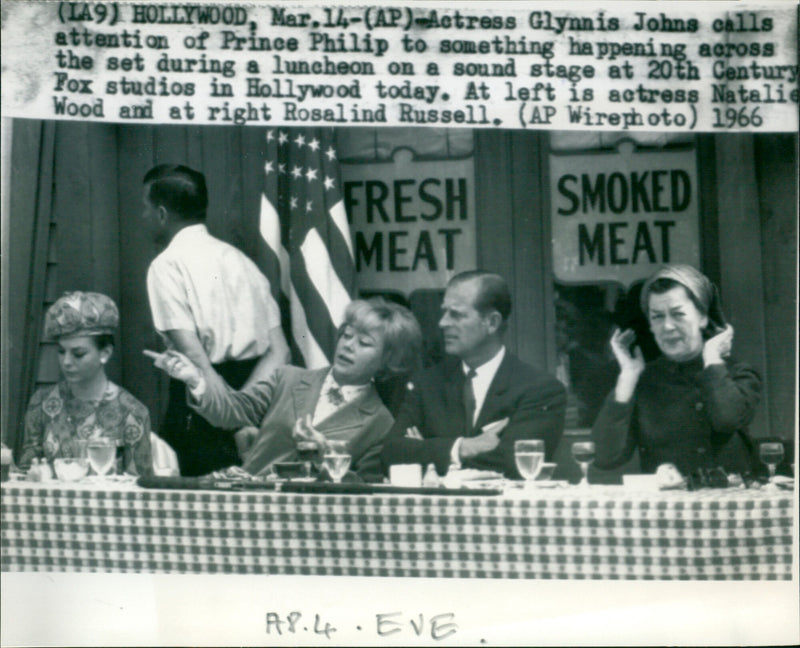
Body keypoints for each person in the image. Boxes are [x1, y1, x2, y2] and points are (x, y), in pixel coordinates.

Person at [146, 299, 422, 482]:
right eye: (346, 335)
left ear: (388, 360)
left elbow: (363, 486)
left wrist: (326, 455)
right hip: (248, 505)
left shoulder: (382, 423)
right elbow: (232, 412)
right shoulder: (288, 378)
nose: (348, 345)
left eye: (363, 342)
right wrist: (195, 379)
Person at [143, 164, 291, 476]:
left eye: (145, 209)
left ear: (161, 214)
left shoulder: (165, 266)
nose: (143, 218)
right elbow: (280, 352)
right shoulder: (243, 263)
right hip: (255, 406)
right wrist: (246, 414)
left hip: (200, 409)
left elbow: (194, 357)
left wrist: (233, 420)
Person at [380, 271, 567, 479]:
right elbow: (392, 453)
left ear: (492, 323)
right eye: (444, 312)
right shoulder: (427, 383)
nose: (442, 323)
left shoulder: (539, 388)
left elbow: (515, 463)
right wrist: (463, 447)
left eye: (456, 314)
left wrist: (428, 452)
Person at [592, 264, 761, 476]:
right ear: (650, 325)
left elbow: (726, 419)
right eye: (657, 317)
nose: (668, 326)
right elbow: (604, 457)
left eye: (678, 314)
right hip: (666, 507)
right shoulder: (643, 379)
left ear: (702, 317)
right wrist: (627, 377)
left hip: (725, 503)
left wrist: (711, 357)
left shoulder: (737, 372)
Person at [18, 291, 153, 475]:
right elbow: (27, 472)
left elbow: (140, 489)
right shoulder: (41, 402)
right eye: (61, 351)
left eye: (78, 354)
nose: (66, 361)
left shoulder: (132, 412)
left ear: (104, 353)